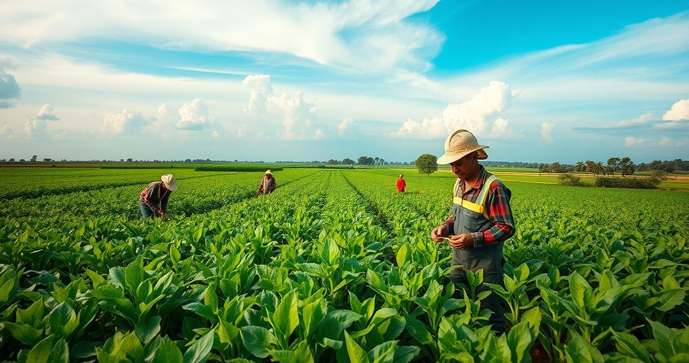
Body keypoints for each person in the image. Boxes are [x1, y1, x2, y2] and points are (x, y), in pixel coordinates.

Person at [430, 129, 515, 334]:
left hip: (485, 267)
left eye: (458, 163)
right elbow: (456, 216)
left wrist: (473, 238)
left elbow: (506, 228)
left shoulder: (493, 187)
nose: (454, 169)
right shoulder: (458, 184)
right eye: (451, 164)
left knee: (490, 316)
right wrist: (445, 227)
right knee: (458, 307)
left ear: (474, 157)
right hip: (458, 261)